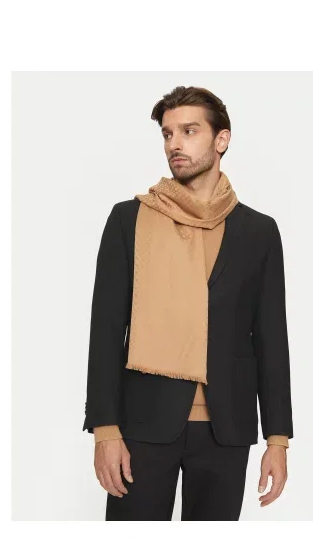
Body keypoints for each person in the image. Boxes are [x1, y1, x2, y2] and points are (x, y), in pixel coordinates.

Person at [83, 85, 294, 521]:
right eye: (167, 133)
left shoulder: (258, 232)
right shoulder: (129, 220)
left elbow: (271, 337)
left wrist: (278, 439)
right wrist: (105, 429)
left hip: (226, 427)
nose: (174, 144)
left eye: (189, 131)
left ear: (222, 140)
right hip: (143, 423)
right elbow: (106, 330)